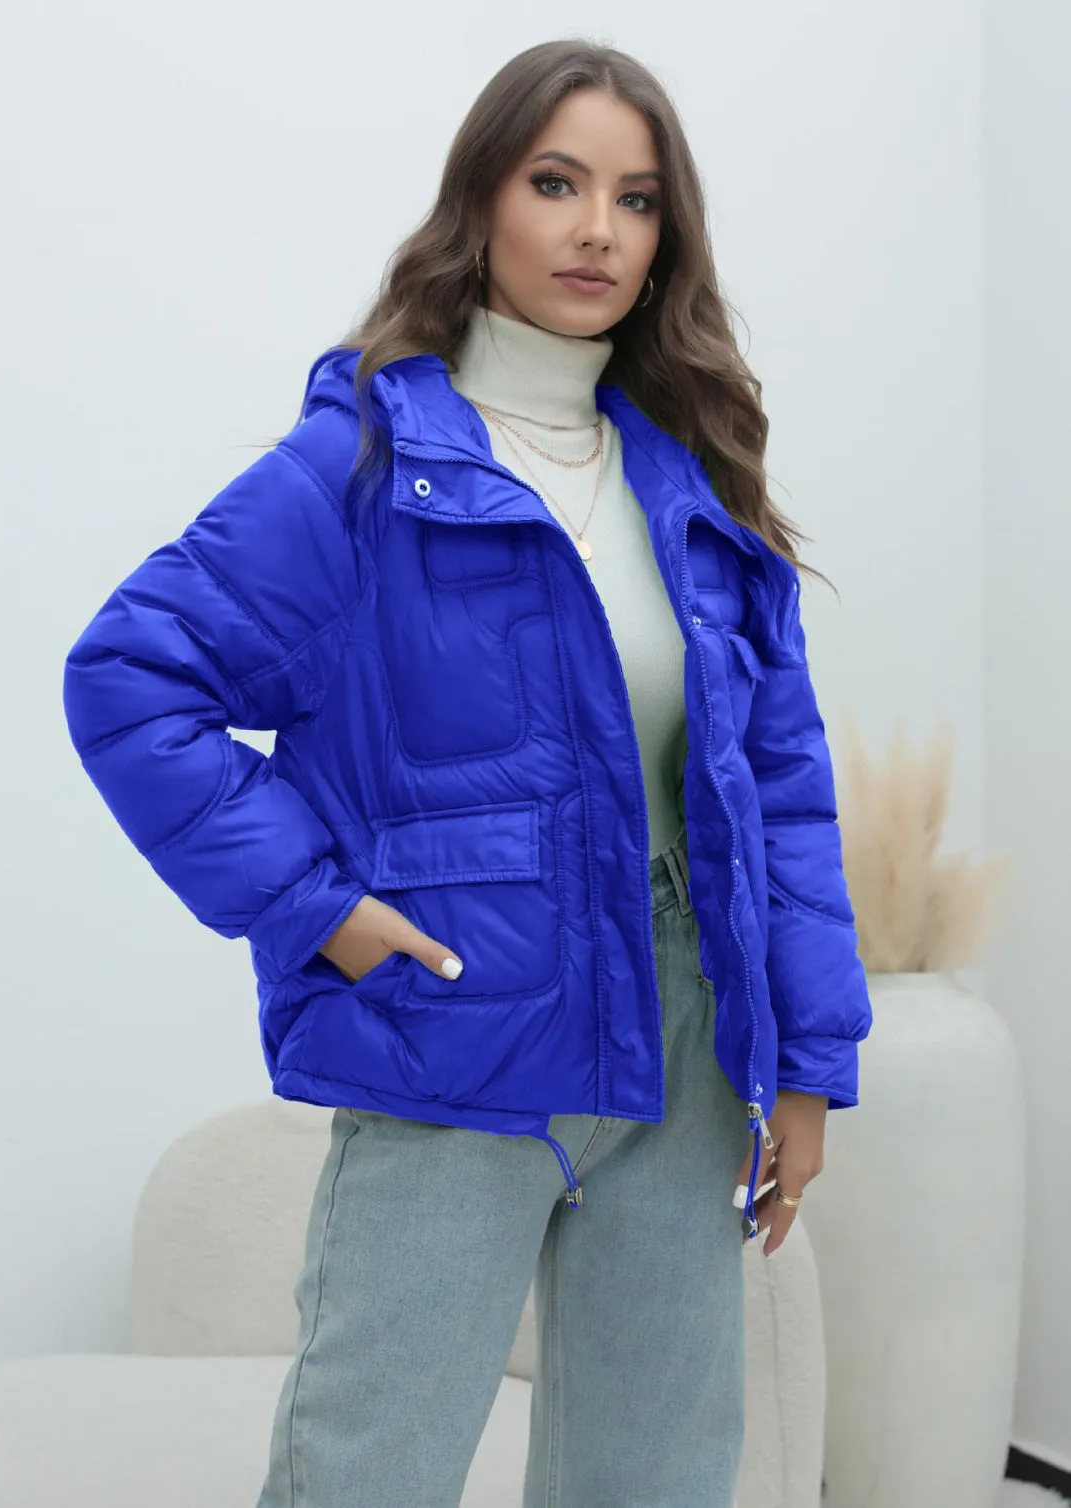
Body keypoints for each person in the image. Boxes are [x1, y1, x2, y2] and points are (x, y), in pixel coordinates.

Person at [62, 37, 871, 1508]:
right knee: (365, 1474)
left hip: (688, 1038)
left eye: (635, 200)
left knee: (654, 1479)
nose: (595, 229)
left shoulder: (692, 485)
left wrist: (808, 1063)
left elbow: (778, 788)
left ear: (665, 239)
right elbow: (130, 680)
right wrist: (315, 908)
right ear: (480, 202)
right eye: (555, 183)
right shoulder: (362, 467)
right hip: (450, 1028)